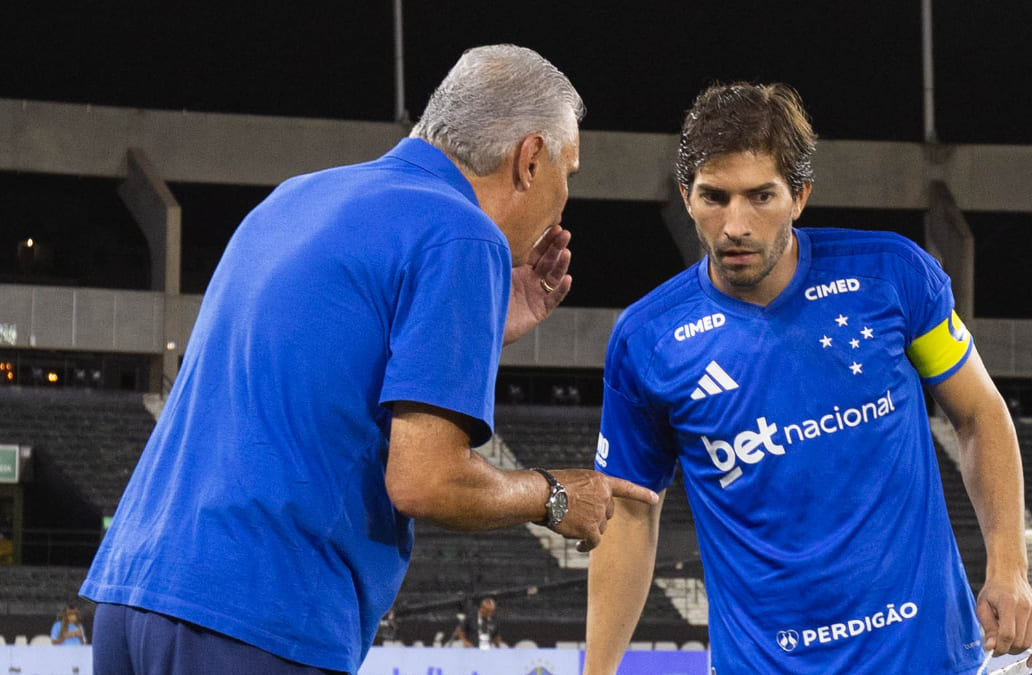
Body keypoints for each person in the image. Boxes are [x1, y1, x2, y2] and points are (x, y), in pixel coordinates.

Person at [80, 44, 657, 675]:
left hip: (130, 596)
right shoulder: (463, 233)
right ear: (530, 158)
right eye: (567, 173)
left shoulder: (293, 198)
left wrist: (480, 329)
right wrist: (553, 496)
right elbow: (425, 481)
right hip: (263, 617)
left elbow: (324, 363)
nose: (564, 199)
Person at [583, 83, 1032, 674]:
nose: (735, 225)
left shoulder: (893, 277)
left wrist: (1008, 566)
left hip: (926, 659)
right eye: (714, 198)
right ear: (686, 196)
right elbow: (630, 509)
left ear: (799, 196)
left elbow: (979, 414)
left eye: (760, 196)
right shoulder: (646, 340)